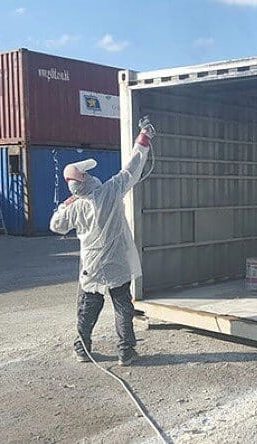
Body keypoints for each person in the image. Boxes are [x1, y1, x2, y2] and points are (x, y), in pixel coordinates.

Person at [50, 117, 155, 366]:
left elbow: (56, 226)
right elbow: (131, 169)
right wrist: (144, 139)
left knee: (88, 306)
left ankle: (82, 348)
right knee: (122, 306)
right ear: (85, 179)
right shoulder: (110, 190)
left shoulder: (75, 207)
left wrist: (66, 204)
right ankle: (126, 351)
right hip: (116, 261)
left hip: (91, 265)